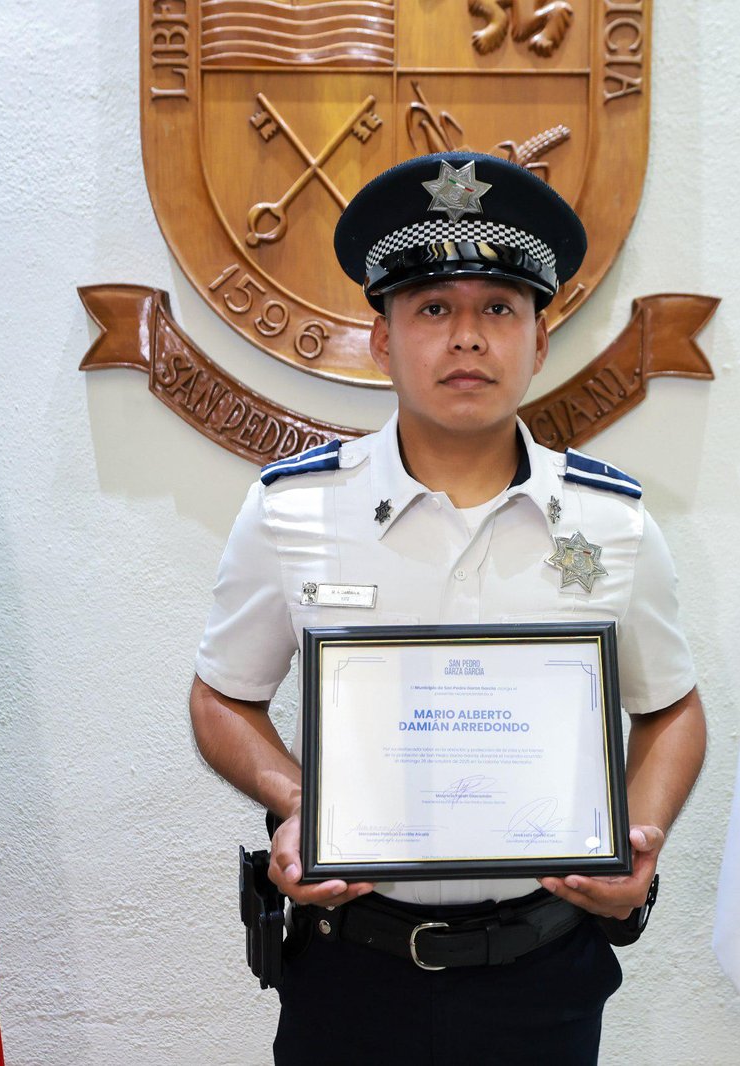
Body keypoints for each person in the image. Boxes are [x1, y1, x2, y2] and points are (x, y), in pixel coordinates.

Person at [189, 151, 706, 1065]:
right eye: (433, 309)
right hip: (350, 971)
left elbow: (671, 708)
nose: (467, 338)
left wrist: (639, 837)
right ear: (381, 340)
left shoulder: (611, 522)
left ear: (539, 343)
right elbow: (221, 697)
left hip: (544, 973)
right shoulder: (294, 510)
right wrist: (303, 804)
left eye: (499, 309)